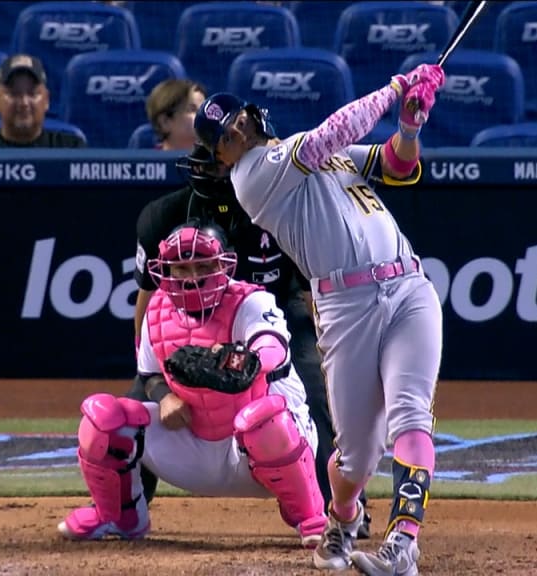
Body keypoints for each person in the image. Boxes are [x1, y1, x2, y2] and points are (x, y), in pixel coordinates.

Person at [192, 63, 446, 575]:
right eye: (224, 136)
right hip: (345, 308)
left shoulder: (318, 158)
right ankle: (342, 516)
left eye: (236, 118)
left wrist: (411, 125)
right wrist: (395, 87)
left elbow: (396, 165)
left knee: (410, 415)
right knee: (355, 456)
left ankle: (403, 543)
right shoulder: (254, 175)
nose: (236, 130)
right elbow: (332, 132)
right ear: (221, 156)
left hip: (408, 288)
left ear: (250, 114)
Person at [127, 143, 372, 539]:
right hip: (191, 320)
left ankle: (336, 510)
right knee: (135, 404)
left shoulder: (284, 209)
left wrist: (326, 352)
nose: (222, 173)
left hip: (271, 312)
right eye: (214, 165)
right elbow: (147, 299)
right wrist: (150, 373)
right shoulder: (164, 216)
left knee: (315, 392)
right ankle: (124, 507)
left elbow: (315, 288)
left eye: (228, 163)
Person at [58, 223, 327, 550]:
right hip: (195, 442)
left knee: (264, 419)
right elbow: (149, 374)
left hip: (257, 451)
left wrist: (229, 360)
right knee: (102, 420)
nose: (191, 276)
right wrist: (164, 396)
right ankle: (119, 516)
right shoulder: (156, 310)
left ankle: (310, 516)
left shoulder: (251, 302)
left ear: (223, 265)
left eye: (202, 266)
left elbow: (271, 350)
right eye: (182, 267)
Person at [0, 53, 85, 148]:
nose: (24, 103)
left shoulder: (71, 148)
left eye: (32, 94)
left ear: (46, 100)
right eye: (13, 94)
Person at [144, 79, 207, 150]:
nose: (204, 115)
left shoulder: (219, 158)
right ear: (165, 122)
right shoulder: (148, 160)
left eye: (204, 109)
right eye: (192, 109)